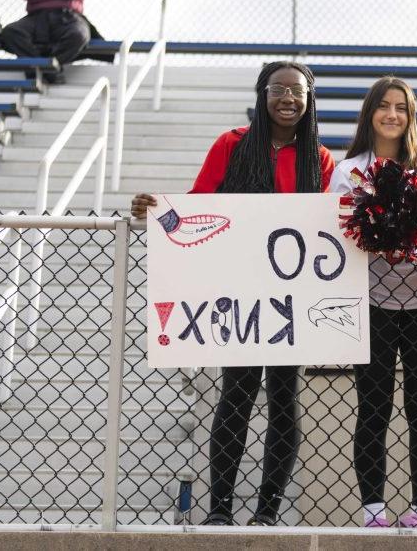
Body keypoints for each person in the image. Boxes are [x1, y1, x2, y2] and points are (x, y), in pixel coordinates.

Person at [131, 61, 335, 526]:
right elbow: (197, 204)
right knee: (236, 393)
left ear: (309, 99)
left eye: (298, 91)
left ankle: (266, 513)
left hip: (292, 296)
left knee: (285, 398)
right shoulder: (232, 145)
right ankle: (219, 510)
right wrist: (157, 209)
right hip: (240, 293)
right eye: (279, 89)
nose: (288, 98)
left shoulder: (319, 158)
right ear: (262, 93)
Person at [329, 76, 417, 529]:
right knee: (373, 407)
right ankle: (373, 510)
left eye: (401, 107)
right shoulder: (347, 172)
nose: (392, 115)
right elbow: (336, 240)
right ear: (370, 113)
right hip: (373, 305)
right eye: (384, 106)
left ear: (410, 115)